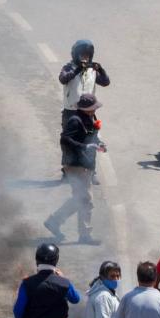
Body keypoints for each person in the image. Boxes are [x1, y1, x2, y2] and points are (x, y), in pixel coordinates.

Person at [45, 93, 105, 244]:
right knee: (86, 200)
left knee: (80, 198)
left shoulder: (89, 118)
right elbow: (65, 139)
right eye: (92, 108)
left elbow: (91, 136)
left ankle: (55, 221)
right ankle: (84, 235)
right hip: (76, 165)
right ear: (85, 109)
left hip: (85, 165)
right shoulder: (74, 120)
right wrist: (85, 146)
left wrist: (99, 144)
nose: (94, 110)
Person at [58, 40, 111, 182]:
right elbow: (63, 79)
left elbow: (105, 82)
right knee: (69, 143)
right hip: (71, 112)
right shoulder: (69, 67)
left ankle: (91, 172)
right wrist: (77, 70)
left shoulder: (92, 70)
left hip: (88, 112)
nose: (85, 58)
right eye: (82, 55)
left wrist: (100, 69)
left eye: (87, 55)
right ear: (76, 55)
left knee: (91, 140)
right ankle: (67, 171)